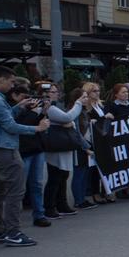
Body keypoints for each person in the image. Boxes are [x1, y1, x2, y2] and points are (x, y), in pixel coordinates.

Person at [0, 66, 50, 247]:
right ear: (1, 80)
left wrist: (18, 107)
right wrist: (37, 129)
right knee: (15, 191)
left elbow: (3, 119)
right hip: (3, 149)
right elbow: (10, 126)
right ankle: (13, 232)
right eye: (11, 82)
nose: (12, 86)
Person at [41, 83, 86, 218]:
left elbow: (67, 119)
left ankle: (62, 204)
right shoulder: (48, 107)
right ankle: (50, 207)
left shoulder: (54, 107)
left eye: (56, 91)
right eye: (52, 92)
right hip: (55, 145)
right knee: (55, 177)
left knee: (63, 176)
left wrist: (69, 122)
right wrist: (78, 103)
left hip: (62, 144)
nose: (55, 94)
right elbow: (67, 118)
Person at [11, 81, 52, 225]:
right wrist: (33, 112)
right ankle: (13, 219)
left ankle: (39, 214)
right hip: (23, 150)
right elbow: (21, 127)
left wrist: (43, 111)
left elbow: (40, 125)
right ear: (15, 96)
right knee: (19, 186)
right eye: (25, 97)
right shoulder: (13, 110)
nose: (29, 100)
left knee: (37, 184)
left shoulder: (32, 109)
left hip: (37, 149)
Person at [72, 84, 105, 209]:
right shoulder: (78, 111)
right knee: (80, 172)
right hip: (82, 145)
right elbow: (77, 131)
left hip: (90, 142)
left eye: (98, 90)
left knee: (85, 172)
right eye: (84, 97)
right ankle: (79, 199)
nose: (97, 93)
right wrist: (86, 147)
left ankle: (83, 198)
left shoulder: (85, 110)